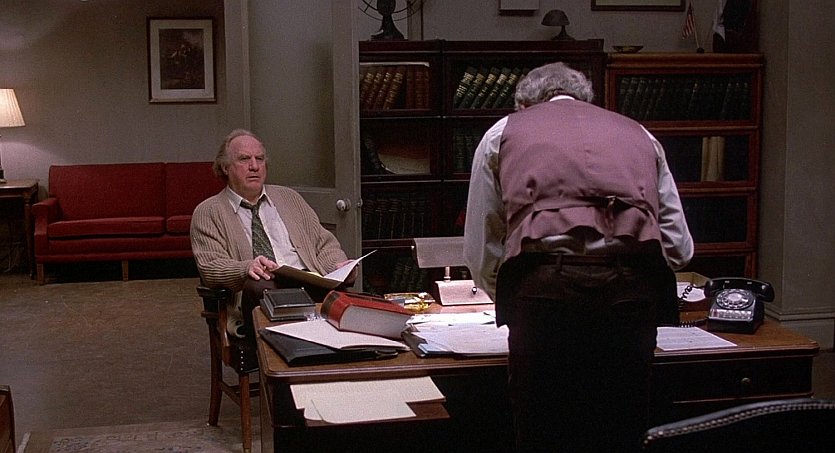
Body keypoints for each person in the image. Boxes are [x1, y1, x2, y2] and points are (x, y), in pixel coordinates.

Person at [463, 62, 694, 452]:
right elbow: (678, 248)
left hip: (544, 296)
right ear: (587, 100)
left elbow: (483, 245)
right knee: (622, 430)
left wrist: (506, 291)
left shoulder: (504, 133)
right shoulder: (639, 134)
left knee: (545, 431)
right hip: (629, 297)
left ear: (524, 105)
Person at [191, 128, 356, 337]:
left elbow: (323, 243)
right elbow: (211, 265)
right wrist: (246, 268)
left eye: (259, 159)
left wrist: (337, 266)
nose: (254, 166)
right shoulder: (208, 212)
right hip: (259, 293)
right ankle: (293, 341)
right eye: (244, 159)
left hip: (309, 284)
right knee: (260, 284)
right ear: (225, 167)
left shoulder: (289, 198)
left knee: (350, 298)